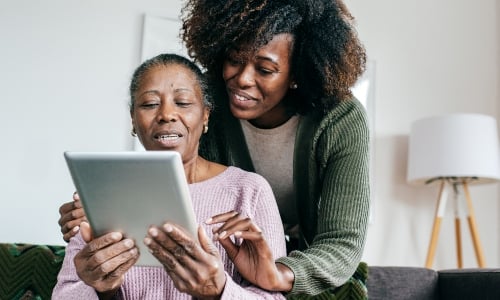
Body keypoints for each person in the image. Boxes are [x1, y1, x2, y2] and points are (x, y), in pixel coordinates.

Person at [59, 0, 371, 297]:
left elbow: (341, 242)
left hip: (299, 259)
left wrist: (278, 274)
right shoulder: (210, 105)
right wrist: (99, 215)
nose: (242, 80)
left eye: (264, 70)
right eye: (234, 60)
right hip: (234, 258)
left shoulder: (340, 120)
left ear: (296, 75)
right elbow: (188, 192)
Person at [53, 53, 287, 299]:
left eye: (183, 102)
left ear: (205, 115)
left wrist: (217, 292)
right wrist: (104, 290)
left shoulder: (249, 190)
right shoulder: (101, 193)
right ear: (133, 118)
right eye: (149, 104)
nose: (166, 114)